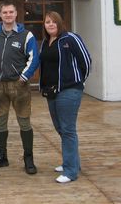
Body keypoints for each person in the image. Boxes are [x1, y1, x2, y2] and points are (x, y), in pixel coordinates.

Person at [0, 0, 40, 174]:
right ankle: (1, 157)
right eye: (4, 12)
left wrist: (24, 77)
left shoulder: (27, 35)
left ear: (16, 14)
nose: (8, 15)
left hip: (19, 85)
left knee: (24, 122)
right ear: (0, 15)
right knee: (0, 122)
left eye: (11, 12)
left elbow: (34, 58)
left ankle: (28, 158)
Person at [39, 11, 91, 183]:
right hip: (51, 91)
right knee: (60, 128)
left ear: (60, 23)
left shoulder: (71, 39)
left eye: (54, 21)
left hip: (69, 91)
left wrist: (78, 82)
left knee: (68, 129)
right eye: (47, 22)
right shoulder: (46, 42)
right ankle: (72, 162)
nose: (51, 24)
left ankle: (70, 171)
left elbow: (86, 61)